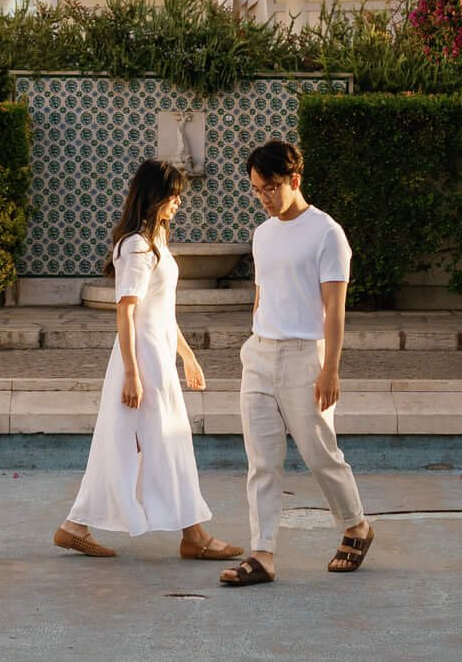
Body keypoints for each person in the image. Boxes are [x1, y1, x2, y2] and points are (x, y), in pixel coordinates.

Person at [55, 159, 243, 563]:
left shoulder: (153, 242)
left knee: (129, 444)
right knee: (163, 441)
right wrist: (132, 374)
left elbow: (162, 312)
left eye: (179, 195)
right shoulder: (137, 246)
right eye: (172, 194)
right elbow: (126, 311)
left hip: (156, 357)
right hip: (141, 361)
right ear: (153, 195)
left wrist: (188, 357)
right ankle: (193, 535)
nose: (177, 202)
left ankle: (74, 526)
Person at [220, 138, 373, 587]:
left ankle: (356, 526)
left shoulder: (327, 233)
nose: (264, 197)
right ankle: (262, 555)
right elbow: (263, 292)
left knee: (319, 453)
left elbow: (335, 308)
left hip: (307, 357)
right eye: (256, 189)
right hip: (260, 354)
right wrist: (255, 337)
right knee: (261, 462)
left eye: (270, 188)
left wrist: (330, 369)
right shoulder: (262, 234)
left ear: (294, 181)